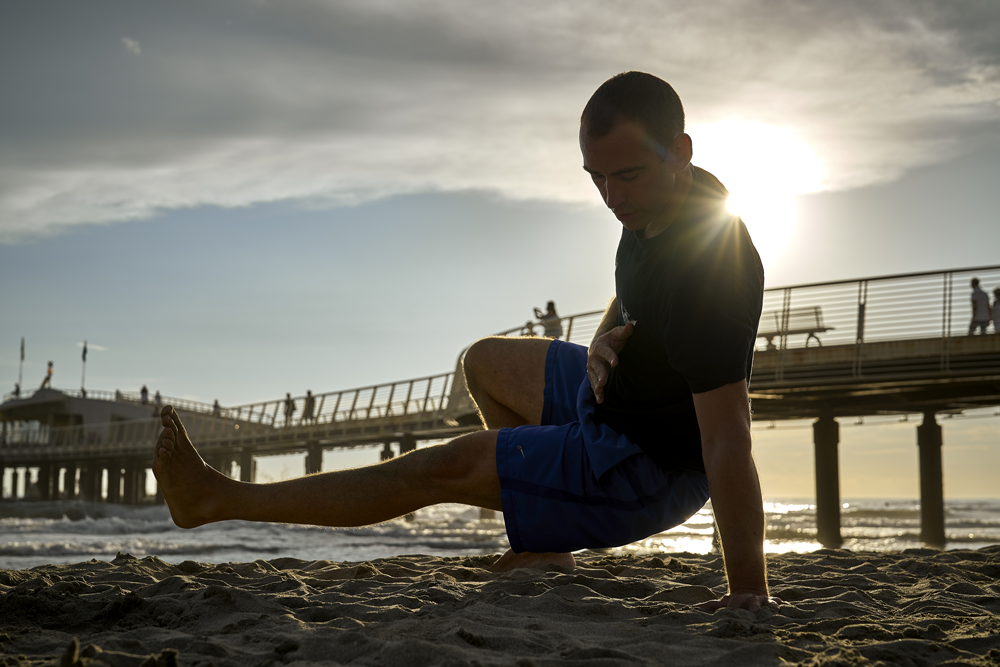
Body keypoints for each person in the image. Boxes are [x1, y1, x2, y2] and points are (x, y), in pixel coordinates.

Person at [152, 71, 776, 612]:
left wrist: (748, 586)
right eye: (597, 177)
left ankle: (219, 498)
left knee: (443, 466)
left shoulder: (709, 273)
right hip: (613, 395)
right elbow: (635, 285)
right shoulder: (662, 198)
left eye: (628, 177)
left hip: (648, 464)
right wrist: (601, 337)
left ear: (680, 150)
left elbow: (726, 438)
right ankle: (543, 545)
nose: (613, 197)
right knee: (484, 360)